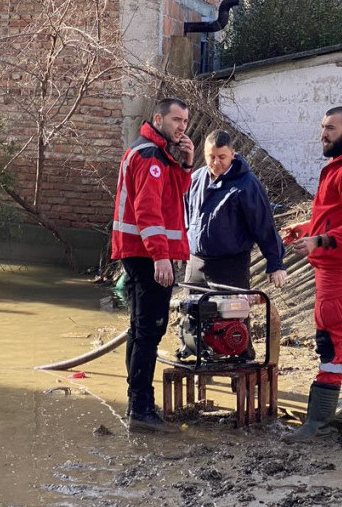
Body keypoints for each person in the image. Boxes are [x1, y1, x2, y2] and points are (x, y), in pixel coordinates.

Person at [282, 106, 342, 441]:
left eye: (331, 128)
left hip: (340, 266)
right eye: (323, 127)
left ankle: (318, 422)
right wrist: (306, 229)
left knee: (329, 339)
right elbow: (334, 219)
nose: (323, 134)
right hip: (339, 262)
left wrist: (318, 240)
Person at [111, 98, 194, 433]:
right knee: (150, 330)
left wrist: (186, 164)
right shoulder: (151, 158)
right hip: (147, 254)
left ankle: (138, 404)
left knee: (140, 329)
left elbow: (174, 195)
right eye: (176, 120)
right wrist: (161, 256)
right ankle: (141, 409)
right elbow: (148, 213)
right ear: (158, 118)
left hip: (139, 251)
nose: (182, 127)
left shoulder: (155, 154)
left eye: (185, 122)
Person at [184, 130, 288, 292]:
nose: (216, 163)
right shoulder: (195, 179)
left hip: (230, 267)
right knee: (191, 314)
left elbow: (263, 225)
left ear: (233, 154)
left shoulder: (247, 184)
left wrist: (275, 263)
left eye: (222, 157)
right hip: (195, 264)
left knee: (230, 316)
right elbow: (185, 215)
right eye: (211, 157)